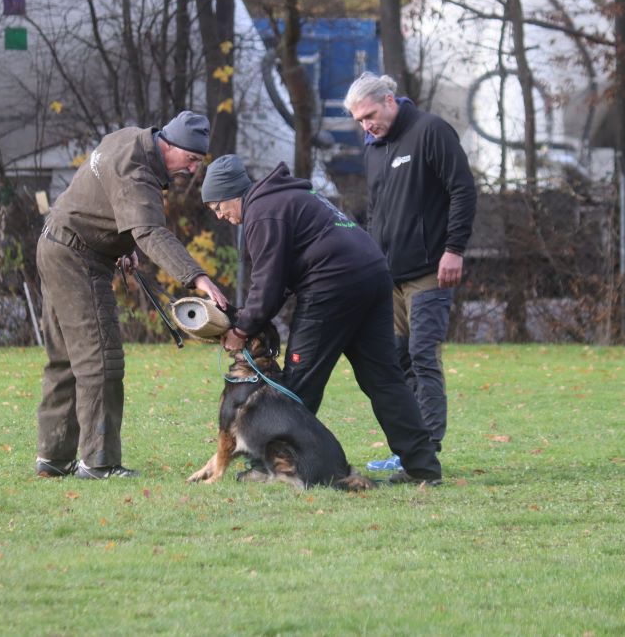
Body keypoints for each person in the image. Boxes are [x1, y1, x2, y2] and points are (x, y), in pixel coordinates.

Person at [201, 154, 442, 485]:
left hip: (332, 286)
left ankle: (273, 465)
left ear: (233, 192)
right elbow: (282, 278)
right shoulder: (291, 196)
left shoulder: (262, 212)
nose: (221, 215)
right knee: (385, 378)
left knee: (298, 383)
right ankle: (423, 467)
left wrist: (241, 329)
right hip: (373, 275)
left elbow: (267, 284)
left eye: (218, 206)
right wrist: (249, 316)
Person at [35, 111, 229, 480]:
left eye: (198, 162)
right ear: (169, 145)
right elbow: (152, 232)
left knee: (64, 359)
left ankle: (54, 458)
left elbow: (107, 200)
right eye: (190, 159)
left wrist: (122, 240)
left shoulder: (129, 138)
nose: (191, 169)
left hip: (54, 242)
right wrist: (200, 280)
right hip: (79, 257)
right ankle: (99, 462)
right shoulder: (137, 171)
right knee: (101, 361)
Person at [344, 72, 477, 472]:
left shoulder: (431, 131)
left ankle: (426, 453)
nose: (366, 126)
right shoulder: (374, 147)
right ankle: (407, 450)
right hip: (389, 277)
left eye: (369, 115)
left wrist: (453, 250)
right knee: (398, 360)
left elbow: (463, 191)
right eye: (359, 121)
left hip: (429, 271)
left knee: (422, 356)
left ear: (389, 99)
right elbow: (378, 212)